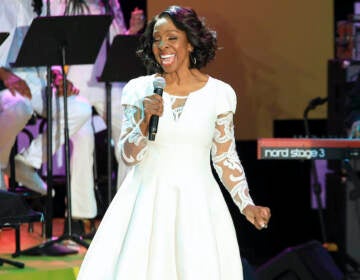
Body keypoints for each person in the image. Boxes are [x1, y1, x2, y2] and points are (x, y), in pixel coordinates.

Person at [77, 5, 271, 279]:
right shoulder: (139, 90)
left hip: (198, 204)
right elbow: (128, 157)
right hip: (146, 203)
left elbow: (225, 157)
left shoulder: (219, 94)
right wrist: (144, 120)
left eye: (171, 38)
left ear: (190, 43)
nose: (162, 46)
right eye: (157, 39)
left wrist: (246, 204)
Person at [45, 0, 145, 233]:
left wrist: (132, 31)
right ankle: (80, 216)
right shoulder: (62, 3)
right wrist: (58, 76)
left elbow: (116, 44)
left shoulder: (111, 4)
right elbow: (52, 42)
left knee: (131, 136)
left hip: (108, 81)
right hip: (74, 84)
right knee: (84, 139)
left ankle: (125, 212)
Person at [0, 0, 92, 195]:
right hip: (5, 81)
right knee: (20, 107)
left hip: (38, 82)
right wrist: (4, 74)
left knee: (80, 109)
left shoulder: (49, 4)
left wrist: (58, 75)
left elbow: (52, 48)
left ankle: (27, 161)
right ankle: (1, 164)